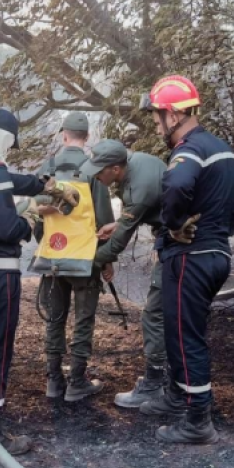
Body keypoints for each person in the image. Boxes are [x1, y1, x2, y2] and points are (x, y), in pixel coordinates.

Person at [0, 109, 79, 461]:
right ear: (5, 140)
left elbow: (8, 181)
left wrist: (42, 184)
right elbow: (7, 229)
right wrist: (34, 217)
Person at [140, 75, 234, 444]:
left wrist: (172, 225)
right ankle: (176, 395)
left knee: (186, 338)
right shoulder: (222, 149)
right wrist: (218, 230)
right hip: (214, 253)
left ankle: (198, 420)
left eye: (156, 116)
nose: (155, 124)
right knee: (181, 332)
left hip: (190, 258)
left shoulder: (188, 149)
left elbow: (177, 185)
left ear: (173, 114)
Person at [79, 139, 169, 409]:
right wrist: (116, 223)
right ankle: (172, 380)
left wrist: (86, 261)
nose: (96, 175)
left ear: (116, 169)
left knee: (154, 314)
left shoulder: (138, 189)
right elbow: (137, 216)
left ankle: (155, 384)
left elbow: (118, 243)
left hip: (179, 246)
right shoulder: (139, 161)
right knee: (171, 315)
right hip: (180, 242)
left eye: (100, 170)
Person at [35, 113, 114, 401]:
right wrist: (107, 261)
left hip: (53, 259)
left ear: (63, 135)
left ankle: (54, 382)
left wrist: (45, 244)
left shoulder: (49, 167)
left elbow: (37, 216)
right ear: (87, 137)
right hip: (85, 259)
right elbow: (105, 221)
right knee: (83, 320)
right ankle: (77, 382)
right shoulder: (94, 169)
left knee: (54, 319)